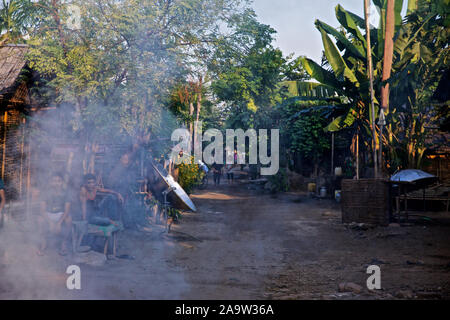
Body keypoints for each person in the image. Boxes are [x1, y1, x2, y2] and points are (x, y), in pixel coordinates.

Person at [37, 172, 72, 256]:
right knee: (39, 219)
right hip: (48, 214)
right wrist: (50, 222)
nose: (57, 183)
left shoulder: (66, 193)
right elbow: (42, 210)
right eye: (54, 181)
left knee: (69, 219)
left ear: (62, 182)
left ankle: (63, 244)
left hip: (60, 215)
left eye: (59, 181)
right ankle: (43, 243)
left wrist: (59, 223)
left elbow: (67, 210)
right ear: (50, 182)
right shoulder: (45, 193)